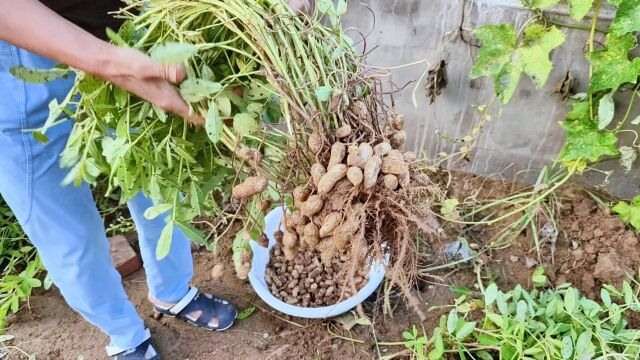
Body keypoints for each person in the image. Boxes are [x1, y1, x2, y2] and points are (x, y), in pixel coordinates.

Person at [0, 0, 310, 359]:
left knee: (161, 177)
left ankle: (172, 291)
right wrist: (112, 64)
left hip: (128, 29)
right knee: (66, 228)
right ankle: (124, 334)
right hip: (15, 56)